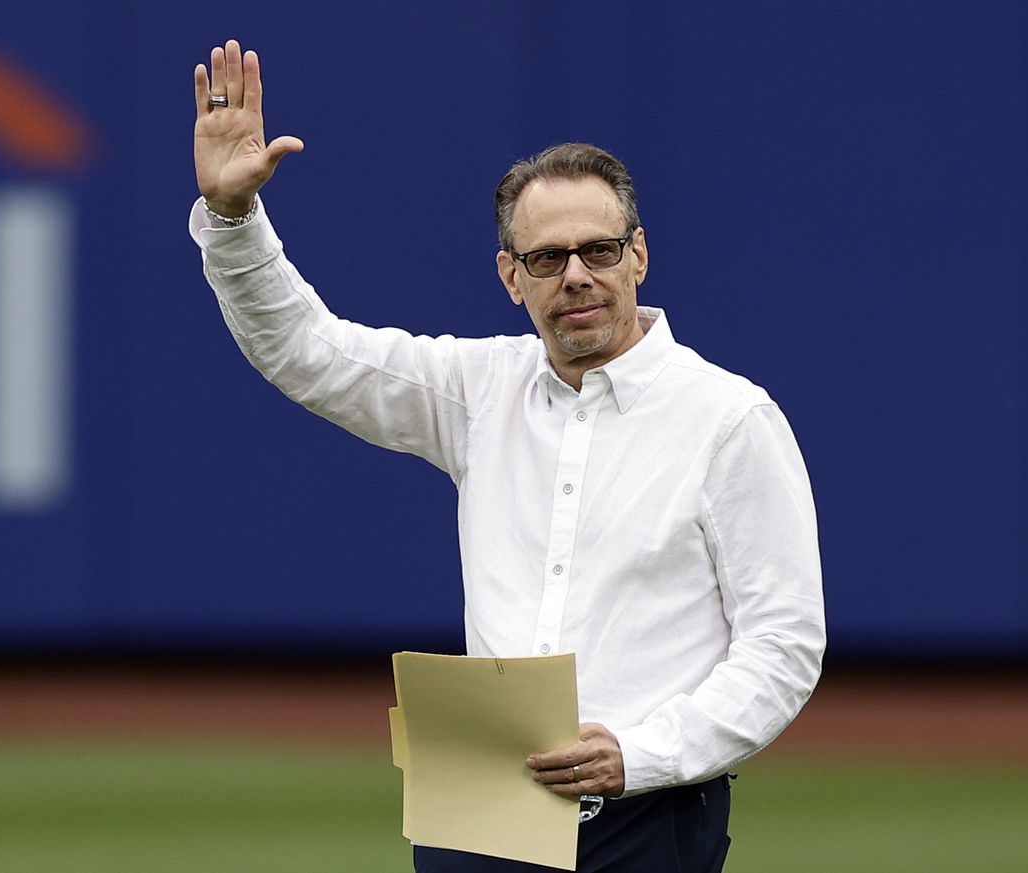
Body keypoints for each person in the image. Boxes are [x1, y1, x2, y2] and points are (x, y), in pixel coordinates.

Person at [190, 39, 824, 873]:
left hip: (646, 808)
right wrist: (236, 223)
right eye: (546, 259)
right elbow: (311, 351)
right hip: (480, 798)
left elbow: (783, 644)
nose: (577, 277)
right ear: (509, 275)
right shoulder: (482, 389)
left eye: (598, 250)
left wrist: (644, 751)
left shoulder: (729, 418)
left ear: (638, 253)